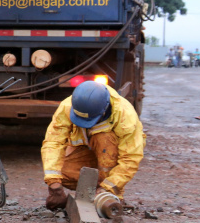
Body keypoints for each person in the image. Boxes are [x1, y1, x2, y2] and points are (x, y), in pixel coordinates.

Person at [41, 81, 145, 210]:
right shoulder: (67, 106)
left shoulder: (125, 115)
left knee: (104, 138)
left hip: (108, 157)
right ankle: (92, 190)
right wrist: (54, 184)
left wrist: (109, 187)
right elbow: (53, 142)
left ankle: (107, 192)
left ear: (104, 110)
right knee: (60, 173)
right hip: (84, 153)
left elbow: (130, 158)